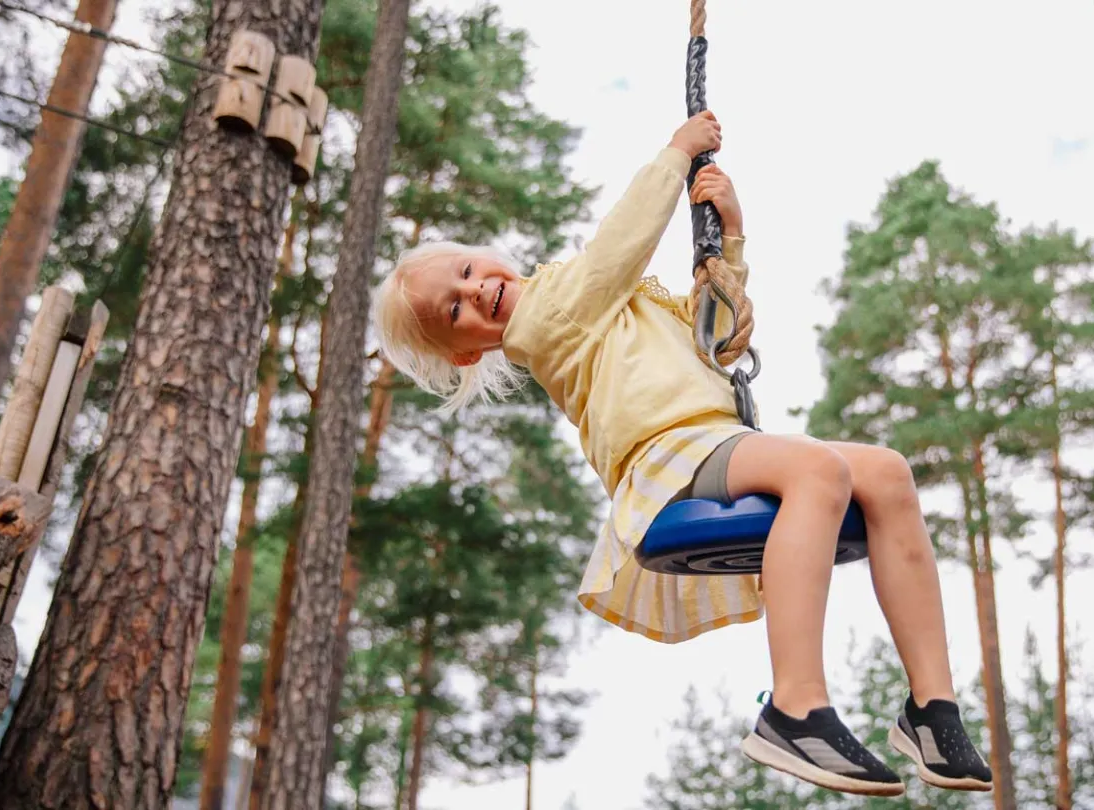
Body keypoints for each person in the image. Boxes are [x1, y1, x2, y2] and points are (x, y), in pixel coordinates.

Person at [370, 111, 993, 796]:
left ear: (489, 254)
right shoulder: (545, 321)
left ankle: (932, 708)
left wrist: (728, 236)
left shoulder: (584, 296)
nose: (473, 289)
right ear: (467, 350)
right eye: (455, 308)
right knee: (820, 469)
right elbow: (621, 244)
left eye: (465, 270)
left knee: (886, 473)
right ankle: (795, 706)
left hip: (720, 440)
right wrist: (675, 155)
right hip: (669, 460)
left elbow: (715, 341)